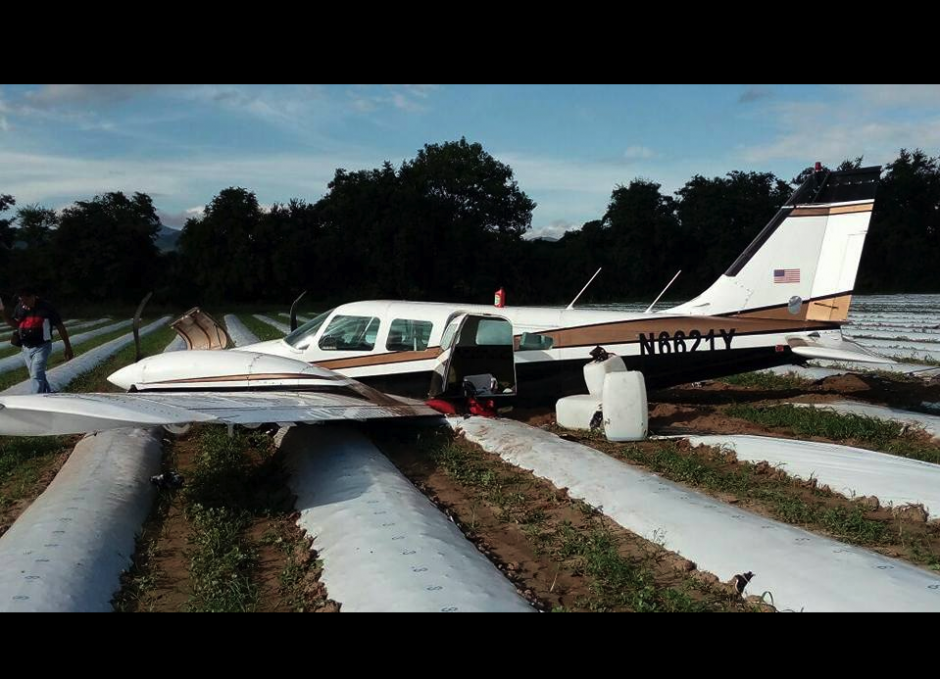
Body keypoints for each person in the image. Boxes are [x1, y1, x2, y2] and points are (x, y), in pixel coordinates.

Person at [1, 285, 73, 393]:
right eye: (21, 300)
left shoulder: (47, 308)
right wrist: (4, 315)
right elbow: (16, 324)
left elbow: (60, 326)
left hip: (42, 346)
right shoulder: (20, 307)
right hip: (26, 347)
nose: (23, 303)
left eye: (25, 300)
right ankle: (47, 394)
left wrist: (68, 346)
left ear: (33, 297)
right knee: (37, 375)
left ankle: (35, 399)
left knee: (36, 374)